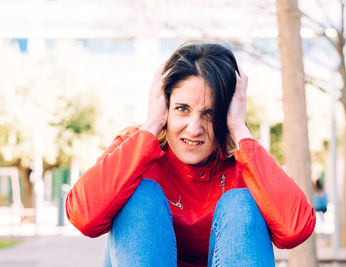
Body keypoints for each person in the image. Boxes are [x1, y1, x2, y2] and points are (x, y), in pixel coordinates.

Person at [65, 42, 316, 267]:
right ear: (164, 105)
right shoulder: (135, 147)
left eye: (210, 113)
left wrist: (239, 129)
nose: (194, 128)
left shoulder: (244, 164)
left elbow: (296, 229)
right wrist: (151, 124)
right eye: (182, 109)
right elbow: (84, 218)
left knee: (242, 203)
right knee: (142, 195)